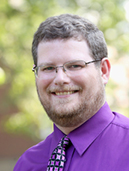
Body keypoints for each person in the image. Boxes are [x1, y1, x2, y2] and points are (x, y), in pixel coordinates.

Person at [14, 14, 129, 171]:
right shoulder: (27, 163)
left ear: (103, 71)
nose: (60, 79)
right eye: (48, 68)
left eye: (75, 65)